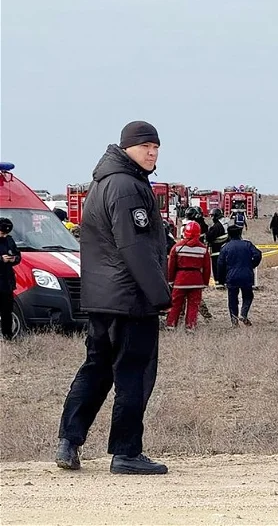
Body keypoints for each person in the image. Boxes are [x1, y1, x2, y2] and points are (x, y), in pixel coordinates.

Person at [56, 120, 171, 475]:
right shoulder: (127, 187)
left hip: (102, 297)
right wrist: (160, 295)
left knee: (96, 369)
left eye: (156, 147)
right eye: (145, 146)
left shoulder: (103, 182)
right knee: (133, 373)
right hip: (131, 299)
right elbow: (133, 246)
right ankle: (127, 453)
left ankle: (68, 441)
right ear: (127, 149)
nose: (152, 153)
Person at [165, 220, 211, 330]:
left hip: (180, 279)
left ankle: (170, 325)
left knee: (175, 304)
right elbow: (207, 269)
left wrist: (171, 280)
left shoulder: (177, 247)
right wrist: (205, 282)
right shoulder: (203, 249)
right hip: (196, 281)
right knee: (194, 305)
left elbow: (171, 266)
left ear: (185, 232)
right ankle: (190, 327)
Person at [217, 224, 262, 327]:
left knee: (232, 299)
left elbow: (220, 264)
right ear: (240, 233)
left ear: (229, 234)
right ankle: (243, 313)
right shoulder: (247, 244)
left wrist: (221, 279)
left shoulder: (225, 248)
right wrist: (252, 265)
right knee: (248, 296)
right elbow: (258, 254)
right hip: (247, 275)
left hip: (231, 277)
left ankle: (234, 321)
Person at [0, 218, 22, 341]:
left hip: (7, 282)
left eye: (6, 233)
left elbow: (18, 255)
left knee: (7, 311)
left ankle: (8, 336)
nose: (4, 235)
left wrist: (14, 259)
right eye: (2, 233)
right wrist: (1, 259)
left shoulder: (9, 240)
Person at [206, 208, 228, 287]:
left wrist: (207, 233)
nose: (211, 218)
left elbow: (209, 237)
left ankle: (219, 282)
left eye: (212, 216)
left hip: (216, 250)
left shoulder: (217, 226)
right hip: (224, 249)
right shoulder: (224, 224)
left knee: (216, 266)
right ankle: (224, 281)